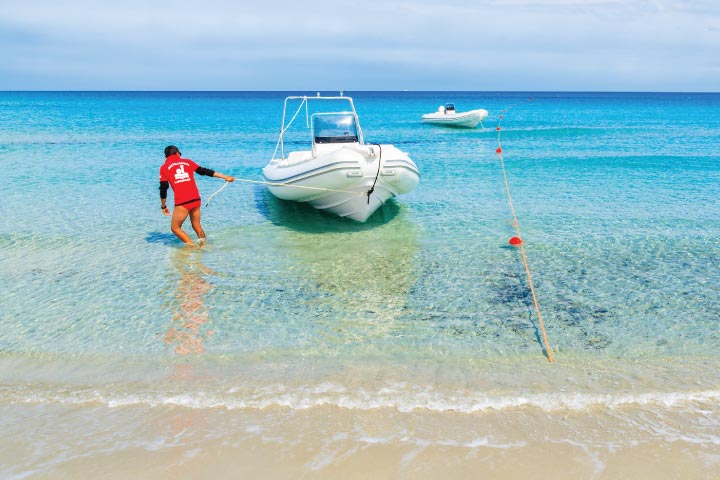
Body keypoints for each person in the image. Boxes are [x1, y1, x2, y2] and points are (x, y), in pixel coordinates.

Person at [159, 145, 234, 246]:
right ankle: (203, 246)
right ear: (177, 153)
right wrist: (225, 176)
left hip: (182, 202)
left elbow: (163, 188)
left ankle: (192, 247)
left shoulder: (164, 168)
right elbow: (204, 171)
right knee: (197, 225)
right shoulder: (187, 162)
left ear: (166, 157)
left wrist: (163, 205)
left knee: (175, 228)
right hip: (196, 199)